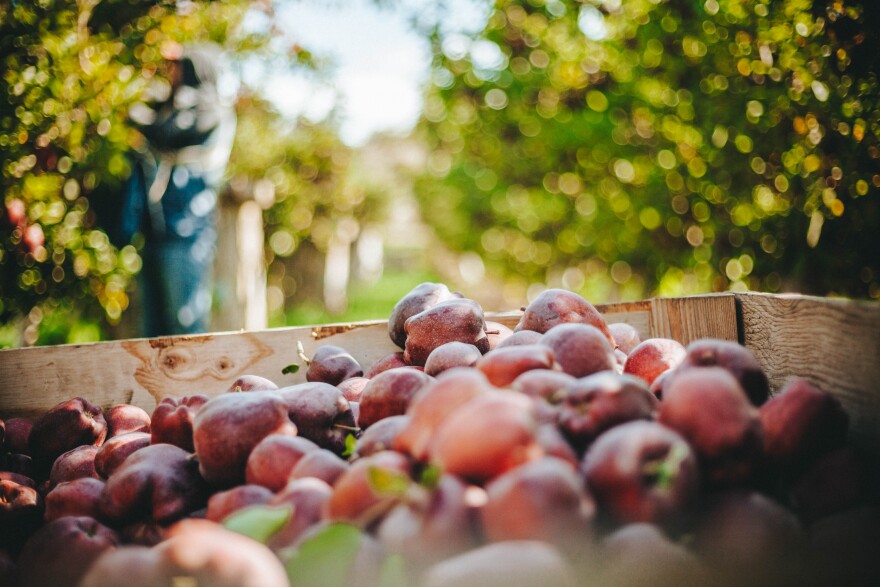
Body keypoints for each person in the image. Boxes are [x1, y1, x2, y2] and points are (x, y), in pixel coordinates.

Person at [118, 42, 236, 337]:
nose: (171, 73)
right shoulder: (173, 106)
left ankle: (193, 386)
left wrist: (131, 111)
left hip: (186, 234)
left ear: (195, 70)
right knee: (153, 332)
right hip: (156, 232)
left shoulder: (210, 110)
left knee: (185, 326)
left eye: (178, 66)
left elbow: (168, 132)